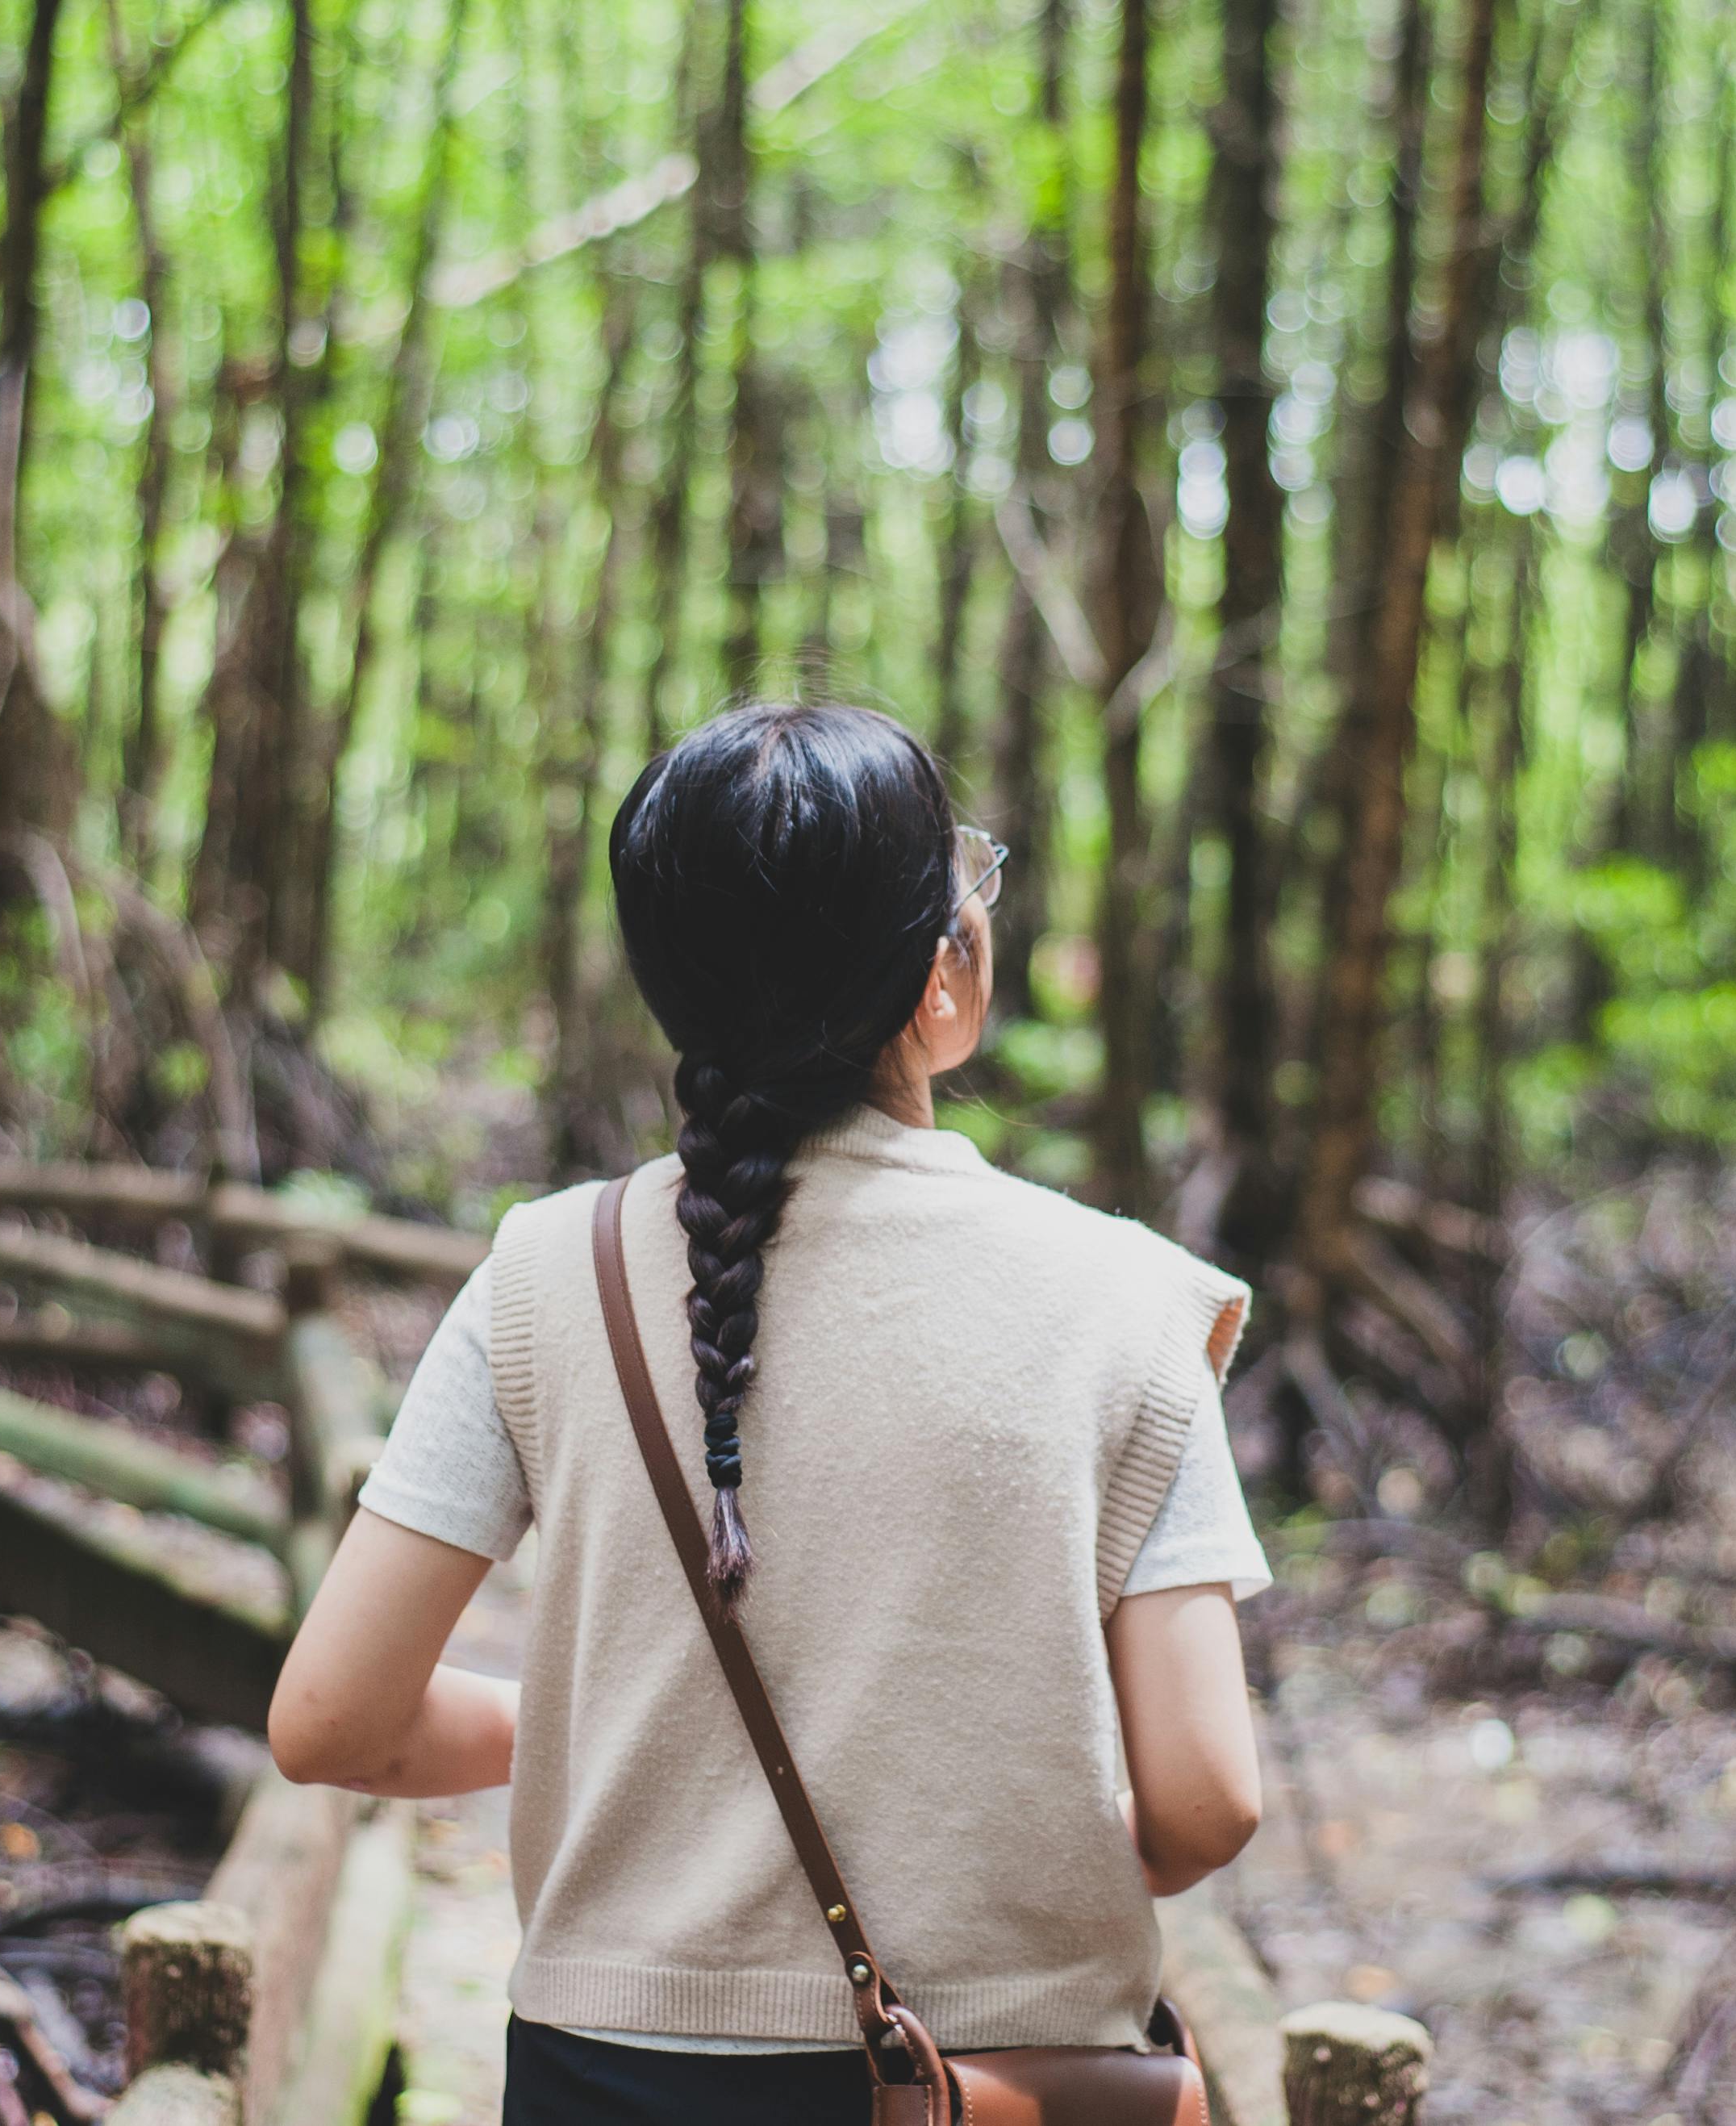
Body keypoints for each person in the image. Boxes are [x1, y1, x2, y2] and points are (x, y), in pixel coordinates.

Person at [267, 701, 1266, 2125]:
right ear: (945, 977)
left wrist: (595, 1723)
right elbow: (1207, 1802)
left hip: (607, 2082)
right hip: (993, 2082)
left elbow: (330, 1722)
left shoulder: (548, 1277)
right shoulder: (1128, 1301)